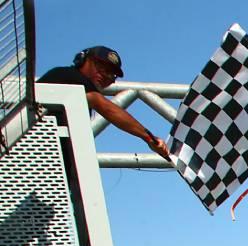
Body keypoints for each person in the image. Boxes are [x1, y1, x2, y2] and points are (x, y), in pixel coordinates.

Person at [38, 46, 171, 161]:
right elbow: (106, 107)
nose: (106, 75)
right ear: (83, 60)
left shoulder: (80, 93)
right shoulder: (67, 75)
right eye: (101, 67)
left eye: (112, 74)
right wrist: (148, 137)